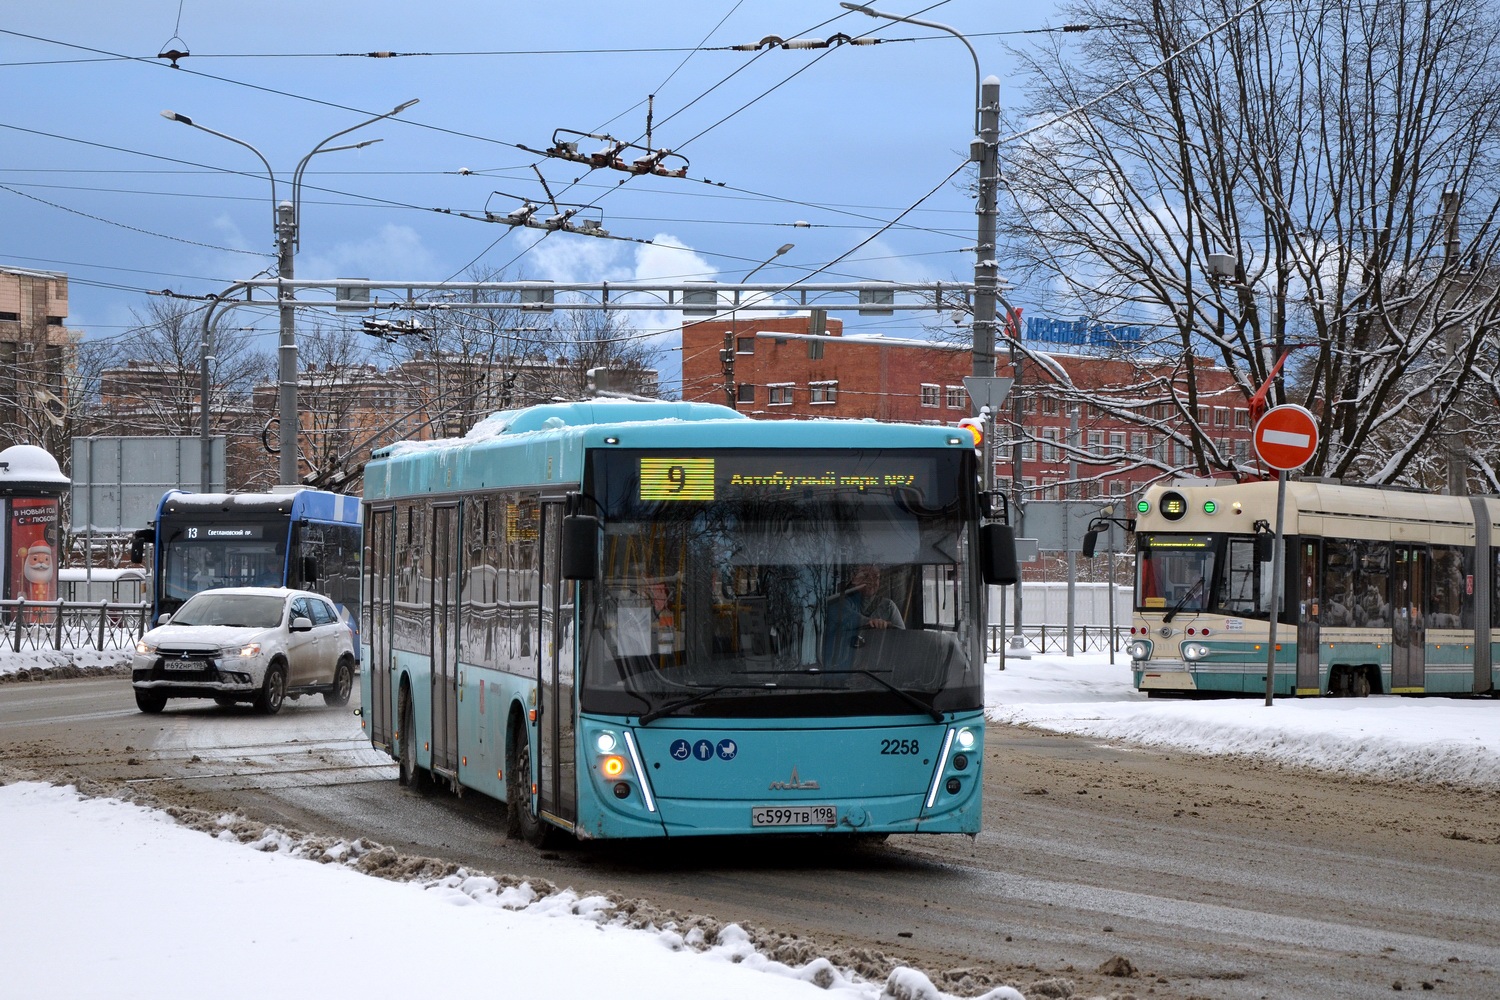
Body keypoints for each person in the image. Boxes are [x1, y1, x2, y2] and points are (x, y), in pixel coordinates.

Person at [821, 564, 904, 667]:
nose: (871, 581)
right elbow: (847, 617)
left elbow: (903, 640)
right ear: (854, 578)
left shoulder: (888, 606)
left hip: (879, 672)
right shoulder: (839, 604)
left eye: (875, 577)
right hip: (842, 669)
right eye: (865, 576)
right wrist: (873, 623)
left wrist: (889, 627)